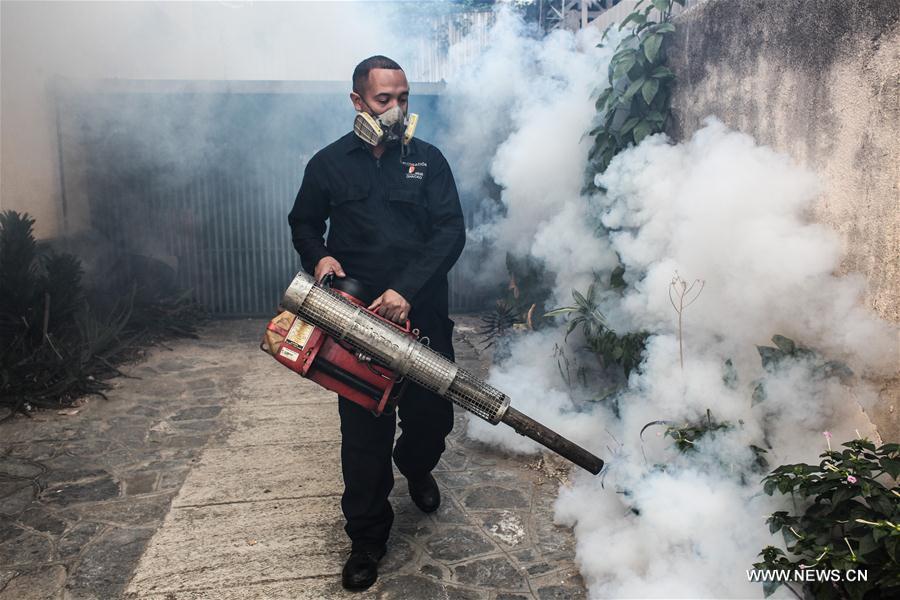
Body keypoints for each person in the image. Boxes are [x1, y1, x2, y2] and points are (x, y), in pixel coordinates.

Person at [287, 55, 466, 591]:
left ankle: (416, 465)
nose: (395, 109)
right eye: (384, 99)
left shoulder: (429, 161)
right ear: (357, 101)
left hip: (422, 314)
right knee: (363, 436)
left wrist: (406, 291)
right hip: (357, 324)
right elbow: (303, 221)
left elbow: (450, 232)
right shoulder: (327, 165)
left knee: (432, 418)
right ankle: (366, 539)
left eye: (403, 98)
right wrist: (317, 256)